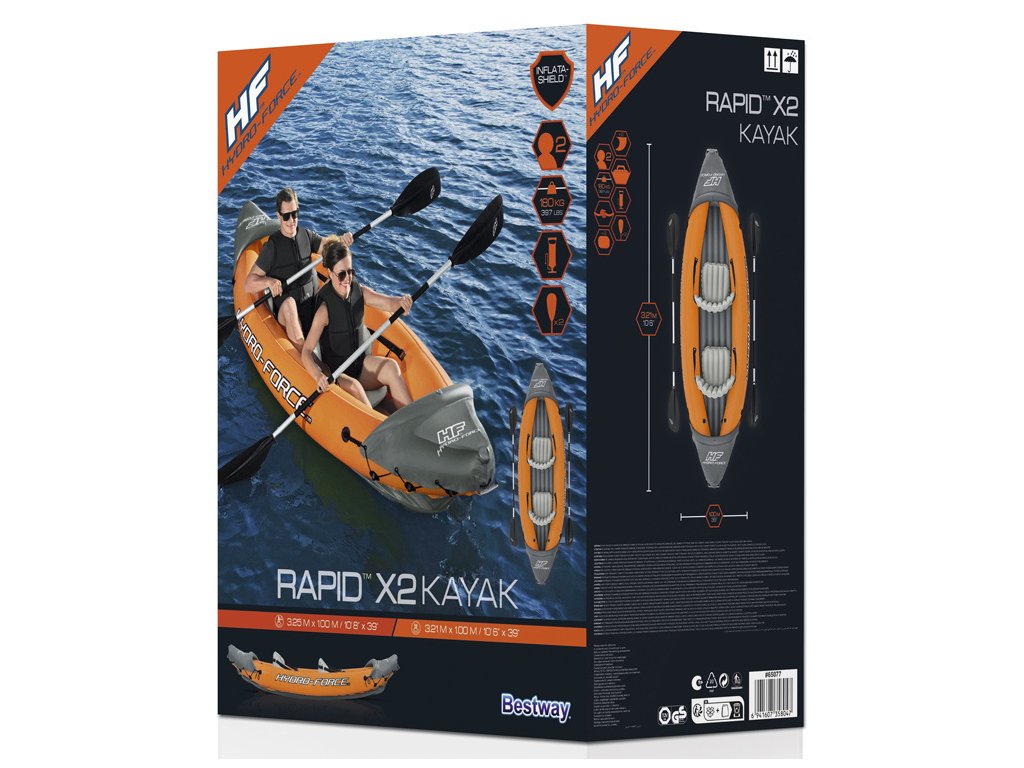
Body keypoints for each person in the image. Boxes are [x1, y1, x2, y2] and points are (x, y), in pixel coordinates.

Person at [301, 240, 414, 410]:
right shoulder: (324, 310)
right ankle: (376, 424)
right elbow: (306, 352)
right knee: (355, 387)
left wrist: (401, 303)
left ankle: (412, 417)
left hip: (360, 365)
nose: (347, 279)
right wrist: (318, 376)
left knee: (391, 367)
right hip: (338, 374)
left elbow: (389, 303)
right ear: (330, 273)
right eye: (341, 274)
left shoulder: (359, 292)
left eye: (350, 272)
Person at [243, 187, 353, 346]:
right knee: (289, 304)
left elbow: (328, 246)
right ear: (279, 216)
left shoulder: (306, 236)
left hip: (310, 305)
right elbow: (248, 284)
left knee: (340, 280)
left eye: (294, 214)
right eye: (286, 216)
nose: (291, 221)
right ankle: (303, 356)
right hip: (287, 312)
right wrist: (269, 282)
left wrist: (342, 240)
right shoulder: (272, 248)